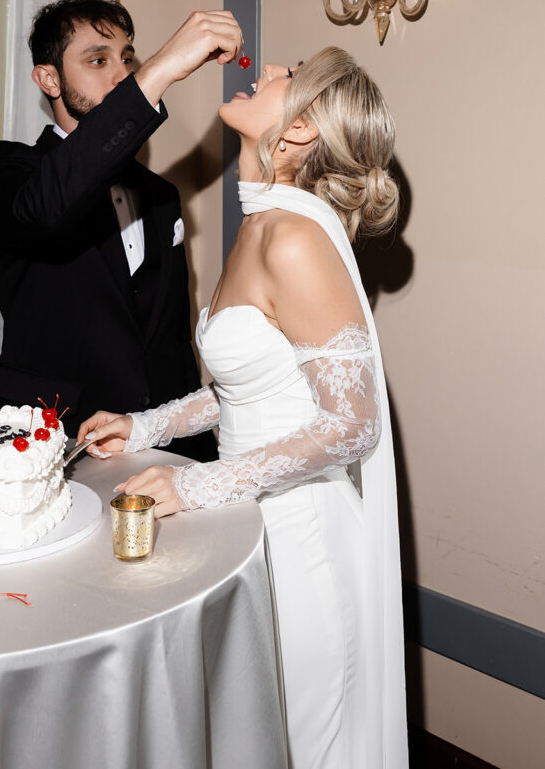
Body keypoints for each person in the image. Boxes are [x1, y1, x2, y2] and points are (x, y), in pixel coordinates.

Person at [77, 47, 408, 768]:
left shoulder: (291, 237)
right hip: (253, 526)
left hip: (303, 545)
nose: (265, 73)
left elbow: (352, 425)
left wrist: (192, 484)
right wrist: (150, 425)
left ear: (296, 133)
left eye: (286, 76)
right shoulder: (262, 224)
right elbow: (249, 389)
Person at [0, 0, 242, 461]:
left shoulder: (161, 196)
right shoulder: (5, 168)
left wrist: (194, 449)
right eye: (98, 59)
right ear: (48, 78)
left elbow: (170, 336)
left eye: (128, 58)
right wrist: (162, 67)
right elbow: (48, 208)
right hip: (48, 447)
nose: (122, 73)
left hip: (162, 442)